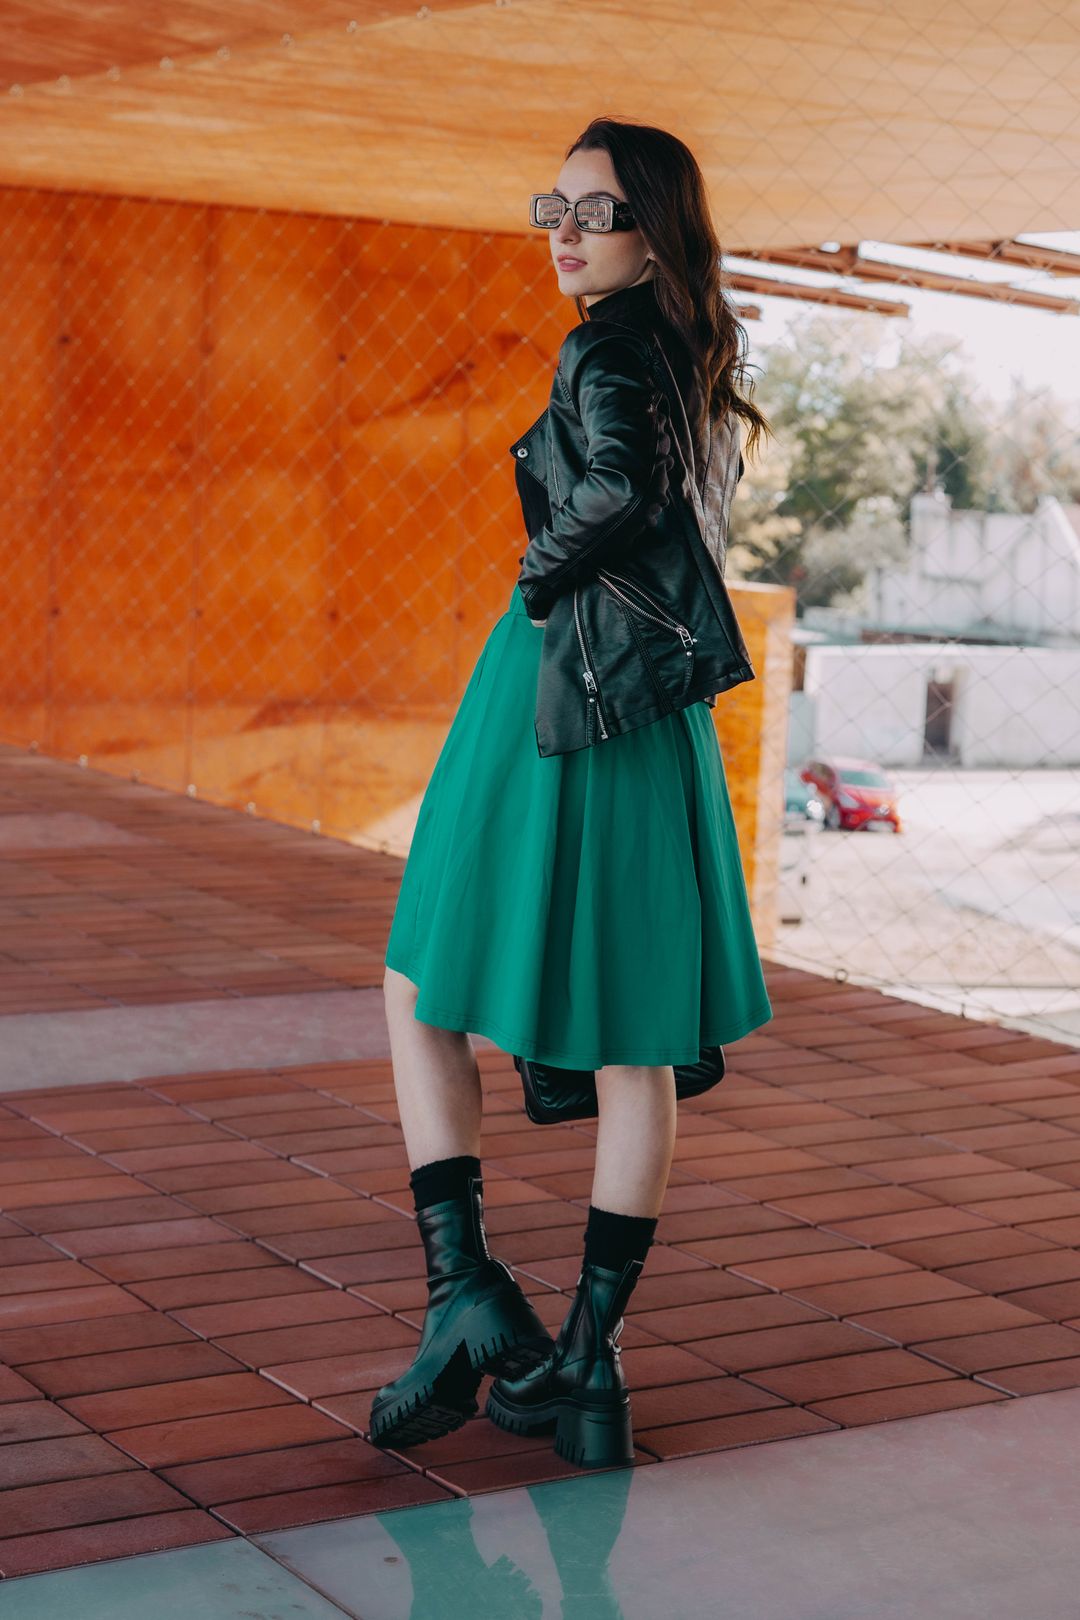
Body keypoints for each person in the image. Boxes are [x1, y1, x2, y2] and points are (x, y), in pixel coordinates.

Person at [372, 117, 774, 1470]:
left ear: (654, 233)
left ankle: (465, 1289)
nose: (565, 230)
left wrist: (539, 577)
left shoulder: (605, 346)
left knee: (419, 980)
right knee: (635, 1041)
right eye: (555, 205)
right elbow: (661, 498)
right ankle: (588, 1366)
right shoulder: (686, 351)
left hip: (556, 687)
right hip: (652, 713)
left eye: (595, 211)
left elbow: (618, 487)